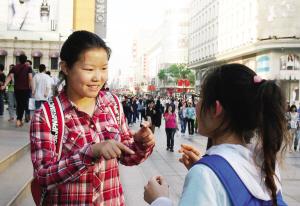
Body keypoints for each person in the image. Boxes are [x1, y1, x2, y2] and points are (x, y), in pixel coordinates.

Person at [30, 30, 155, 205]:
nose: (98, 77)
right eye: (89, 69)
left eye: (104, 68)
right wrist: (90, 152)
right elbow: (43, 176)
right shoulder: (47, 116)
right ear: (65, 67)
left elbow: (128, 156)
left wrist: (142, 143)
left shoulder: (113, 104)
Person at [144, 64, 288, 206]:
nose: (197, 104)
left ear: (215, 109)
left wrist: (159, 200)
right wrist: (213, 168)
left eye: (201, 98)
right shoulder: (266, 162)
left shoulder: (204, 175)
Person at [1, 54, 32, 127]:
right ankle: (19, 119)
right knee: (22, 104)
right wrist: (31, 87)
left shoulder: (14, 67)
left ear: (19, 60)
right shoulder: (28, 68)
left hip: (17, 89)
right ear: (25, 60)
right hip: (25, 89)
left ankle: (20, 119)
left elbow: (9, 77)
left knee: (19, 103)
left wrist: (4, 85)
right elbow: (30, 78)